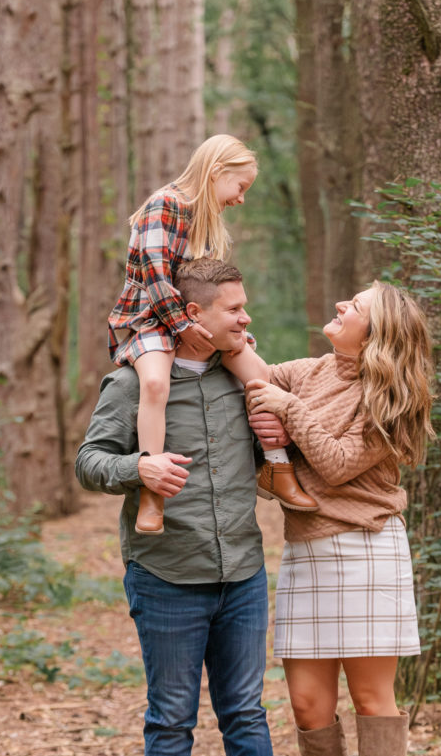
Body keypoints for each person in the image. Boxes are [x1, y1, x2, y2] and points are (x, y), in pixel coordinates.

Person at [76, 258, 301, 756]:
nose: (247, 317)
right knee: (171, 719)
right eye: (234, 308)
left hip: (243, 574)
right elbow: (89, 462)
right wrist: (138, 472)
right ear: (193, 314)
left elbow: (286, 445)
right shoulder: (133, 383)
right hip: (166, 574)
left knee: (246, 716)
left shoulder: (247, 379)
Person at [245, 281, 435, 756]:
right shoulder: (313, 369)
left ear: (377, 333)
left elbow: (332, 462)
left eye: (353, 307)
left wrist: (285, 409)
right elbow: (253, 373)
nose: (338, 307)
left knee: (371, 698)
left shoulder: (392, 398)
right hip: (306, 550)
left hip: (368, 548)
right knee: (307, 703)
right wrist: (225, 339)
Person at [107, 134, 315, 536]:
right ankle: (153, 490)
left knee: (259, 373)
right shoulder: (164, 205)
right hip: (151, 317)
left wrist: (214, 326)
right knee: (153, 383)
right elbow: (153, 275)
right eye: (241, 187)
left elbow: (211, 285)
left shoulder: (209, 223)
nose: (241, 199)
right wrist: (184, 327)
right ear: (217, 172)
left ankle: (277, 467)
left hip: (195, 318)